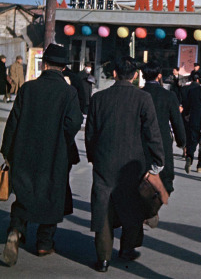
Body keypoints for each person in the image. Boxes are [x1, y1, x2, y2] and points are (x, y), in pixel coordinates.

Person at [1, 44, 83, 266]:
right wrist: (61, 139)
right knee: (53, 195)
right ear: (63, 68)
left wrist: (7, 152)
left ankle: (16, 230)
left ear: (44, 64)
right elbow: (74, 122)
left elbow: (13, 122)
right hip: (55, 154)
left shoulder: (28, 89)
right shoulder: (69, 92)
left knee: (25, 193)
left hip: (24, 151)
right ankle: (44, 243)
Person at [85, 56, 165, 272]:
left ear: (114, 74)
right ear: (136, 75)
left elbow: (90, 132)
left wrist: (93, 156)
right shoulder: (143, 98)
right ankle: (127, 248)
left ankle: (103, 258)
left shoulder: (98, 98)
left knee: (103, 208)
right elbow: (152, 132)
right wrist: (158, 160)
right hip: (133, 161)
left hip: (104, 161)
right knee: (132, 205)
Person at [141, 61, 186, 194]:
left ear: (143, 76)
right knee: (163, 176)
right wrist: (181, 141)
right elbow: (177, 121)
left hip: (141, 138)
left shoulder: (138, 94)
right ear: (159, 76)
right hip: (162, 138)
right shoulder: (168, 96)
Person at [184, 71, 201, 173]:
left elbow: (187, 104)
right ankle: (200, 165)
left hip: (193, 118)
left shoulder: (192, 91)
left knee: (192, 140)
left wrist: (186, 115)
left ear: (198, 80)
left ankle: (189, 156)